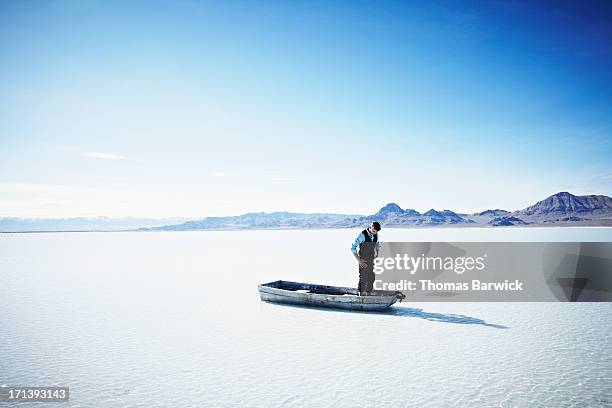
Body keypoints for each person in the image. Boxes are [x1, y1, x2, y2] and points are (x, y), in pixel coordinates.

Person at [350, 222, 381, 295]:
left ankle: (368, 295)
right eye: (373, 231)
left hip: (371, 259)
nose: (375, 233)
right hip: (363, 260)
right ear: (370, 227)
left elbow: (376, 244)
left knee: (371, 278)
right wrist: (359, 260)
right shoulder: (362, 235)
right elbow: (353, 248)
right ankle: (361, 296)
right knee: (363, 278)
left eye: (376, 231)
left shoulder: (376, 234)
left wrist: (377, 253)